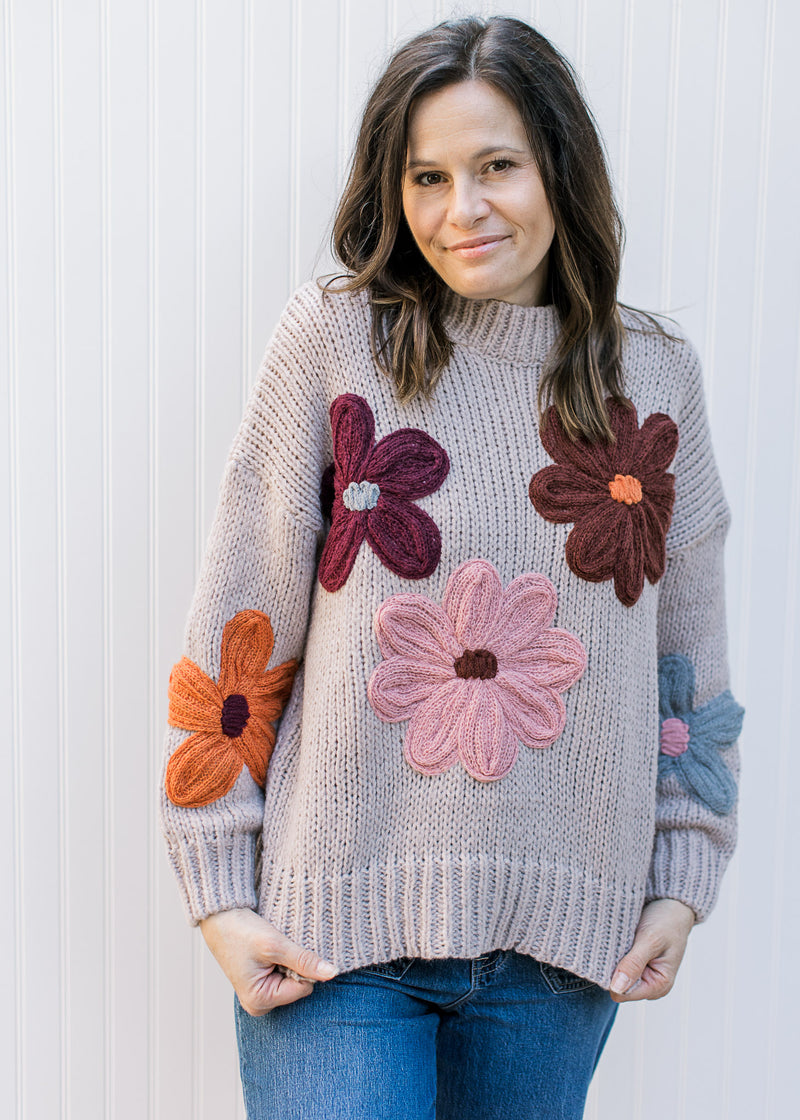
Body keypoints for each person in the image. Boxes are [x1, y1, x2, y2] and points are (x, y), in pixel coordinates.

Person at [159, 14, 744, 1120]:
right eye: (424, 175)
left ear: (557, 171)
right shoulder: (336, 345)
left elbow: (686, 670)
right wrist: (216, 896)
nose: (457, 210)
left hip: (561, 950)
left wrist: (682, 876)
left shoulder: (652, 378)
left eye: (494, 167)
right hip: (328, 943)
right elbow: (240, 626)